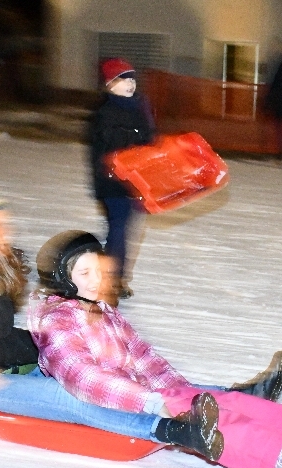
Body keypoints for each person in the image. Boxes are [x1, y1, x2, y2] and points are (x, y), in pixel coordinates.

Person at [0, 188, 279, 460]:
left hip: (5, 367)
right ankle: (176, 431)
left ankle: (232, 397)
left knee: (106, 370)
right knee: (73, 396)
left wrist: (56, 343)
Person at [29, 230, 282, 468]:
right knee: (214, 419)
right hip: (116, 405)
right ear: (63, 278)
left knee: (223, 401)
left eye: (98, 270)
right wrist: (154, 400)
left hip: (146, 394)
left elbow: (142, 353)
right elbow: (82, 377)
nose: (96, 280)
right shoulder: (58, 321)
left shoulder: (102, 311)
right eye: (84, 273)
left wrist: (179, 387)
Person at [88, 57, 155, 300]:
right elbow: (110, 146)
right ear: (109, 84)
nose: (130, 84)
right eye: (123, 79)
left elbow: (149, 141)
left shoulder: (138, 108)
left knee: (124, 230)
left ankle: (109, 274)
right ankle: (114, 279)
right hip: (112, 181)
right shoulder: (106, 112)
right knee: (118, 229)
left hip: (135, 181)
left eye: (132, 78)